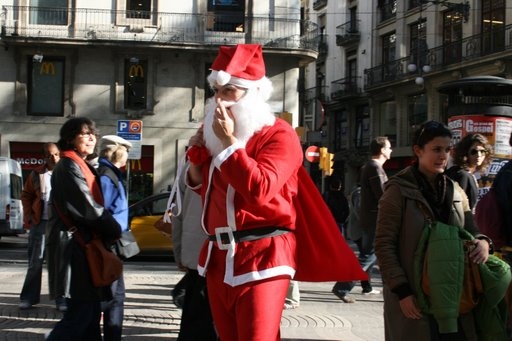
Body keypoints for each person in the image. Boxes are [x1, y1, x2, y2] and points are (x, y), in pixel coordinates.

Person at [185, 44, 367, 341]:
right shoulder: (219, 137)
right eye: (216, 92)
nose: (219, 101)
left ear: (252, 94)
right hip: (219, 258)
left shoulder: (279, 134)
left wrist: (229, 142)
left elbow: (260, 189)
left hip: (264, 254)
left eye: (229, 91)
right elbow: (205, 192)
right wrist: (197, 158)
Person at [375, 120, 494, 340]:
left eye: (447, 150)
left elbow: (472, 227)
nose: (443, 156)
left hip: (454, 294)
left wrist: (483, 242)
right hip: (414, 295)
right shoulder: (397, 190)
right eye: (437, 149)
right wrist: (402, 292)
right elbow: (384, 245)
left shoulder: (455, 189)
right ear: (418, 150)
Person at [46, 117, 122, 340]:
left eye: (93, 133)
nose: (91, 137)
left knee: (88, 316)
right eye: (84, 133)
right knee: (80, 315)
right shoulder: (69, 165)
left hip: (82, 247)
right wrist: (115, 229)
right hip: (74, 249)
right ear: (70, 138)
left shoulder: (80, 163)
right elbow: (89, 209)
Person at [172, 160, 218, 341]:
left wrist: (179, 252)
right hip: (226, 260)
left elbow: (178, 213)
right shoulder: (236, 160)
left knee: (195, 325)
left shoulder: (191, 167)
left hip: (196, 258)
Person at [19, 142, 65, 311]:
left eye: (56, 154)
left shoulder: (67, 173)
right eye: (48, 155)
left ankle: (61, 300)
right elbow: (26, 195)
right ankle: (28, 298)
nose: (53, 158)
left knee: (59, 263)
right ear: (43, 157)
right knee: (35, 263)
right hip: (40, 223)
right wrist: (29, 216)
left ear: (60, 154)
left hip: (60, 224)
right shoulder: (36, 174)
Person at [97, 135, 133, 341]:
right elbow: (103, 212)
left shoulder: (110, 174)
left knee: (116, 296)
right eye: (125, 152)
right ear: (117, 152)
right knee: (112, 296)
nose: (127, 157)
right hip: (109, 243)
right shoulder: (106, 176)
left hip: (112, 241)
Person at [359, 136, 392, 295]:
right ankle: (343, 285)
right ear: (382, 150)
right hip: (375, 218)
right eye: (389, 147)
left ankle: (367, 287)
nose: (391, 150)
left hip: (369, 217)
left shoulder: (369, 166)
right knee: (370, 254)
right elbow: (382, 195)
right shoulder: (375, 167)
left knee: (369, 253)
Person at [331, 180, 365, 303]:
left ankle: (367, 287)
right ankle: (342, 287)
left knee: (367, 258)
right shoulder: (360, 193)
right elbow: (359, 213)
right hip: (362, 231)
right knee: (366, 258)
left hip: (357, 228)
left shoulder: (360, 192)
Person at [446, 133, 492, 211]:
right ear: (465, 153)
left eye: (482, 151)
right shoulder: (462, 175)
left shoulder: (461, 172)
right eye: (474, 151)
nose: (478, 155)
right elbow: (458, 207)